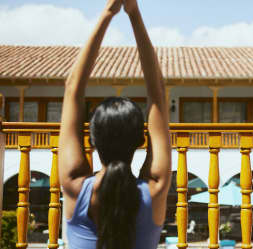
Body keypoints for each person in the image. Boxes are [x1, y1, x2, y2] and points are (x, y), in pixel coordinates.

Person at [58, 0, 172, 248]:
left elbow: (72, 89)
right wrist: (133, 12)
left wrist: (108, 13)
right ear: (142, 140)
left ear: (92, 139)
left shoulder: (75, 187)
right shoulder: (155, 190)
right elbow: (158, 94)